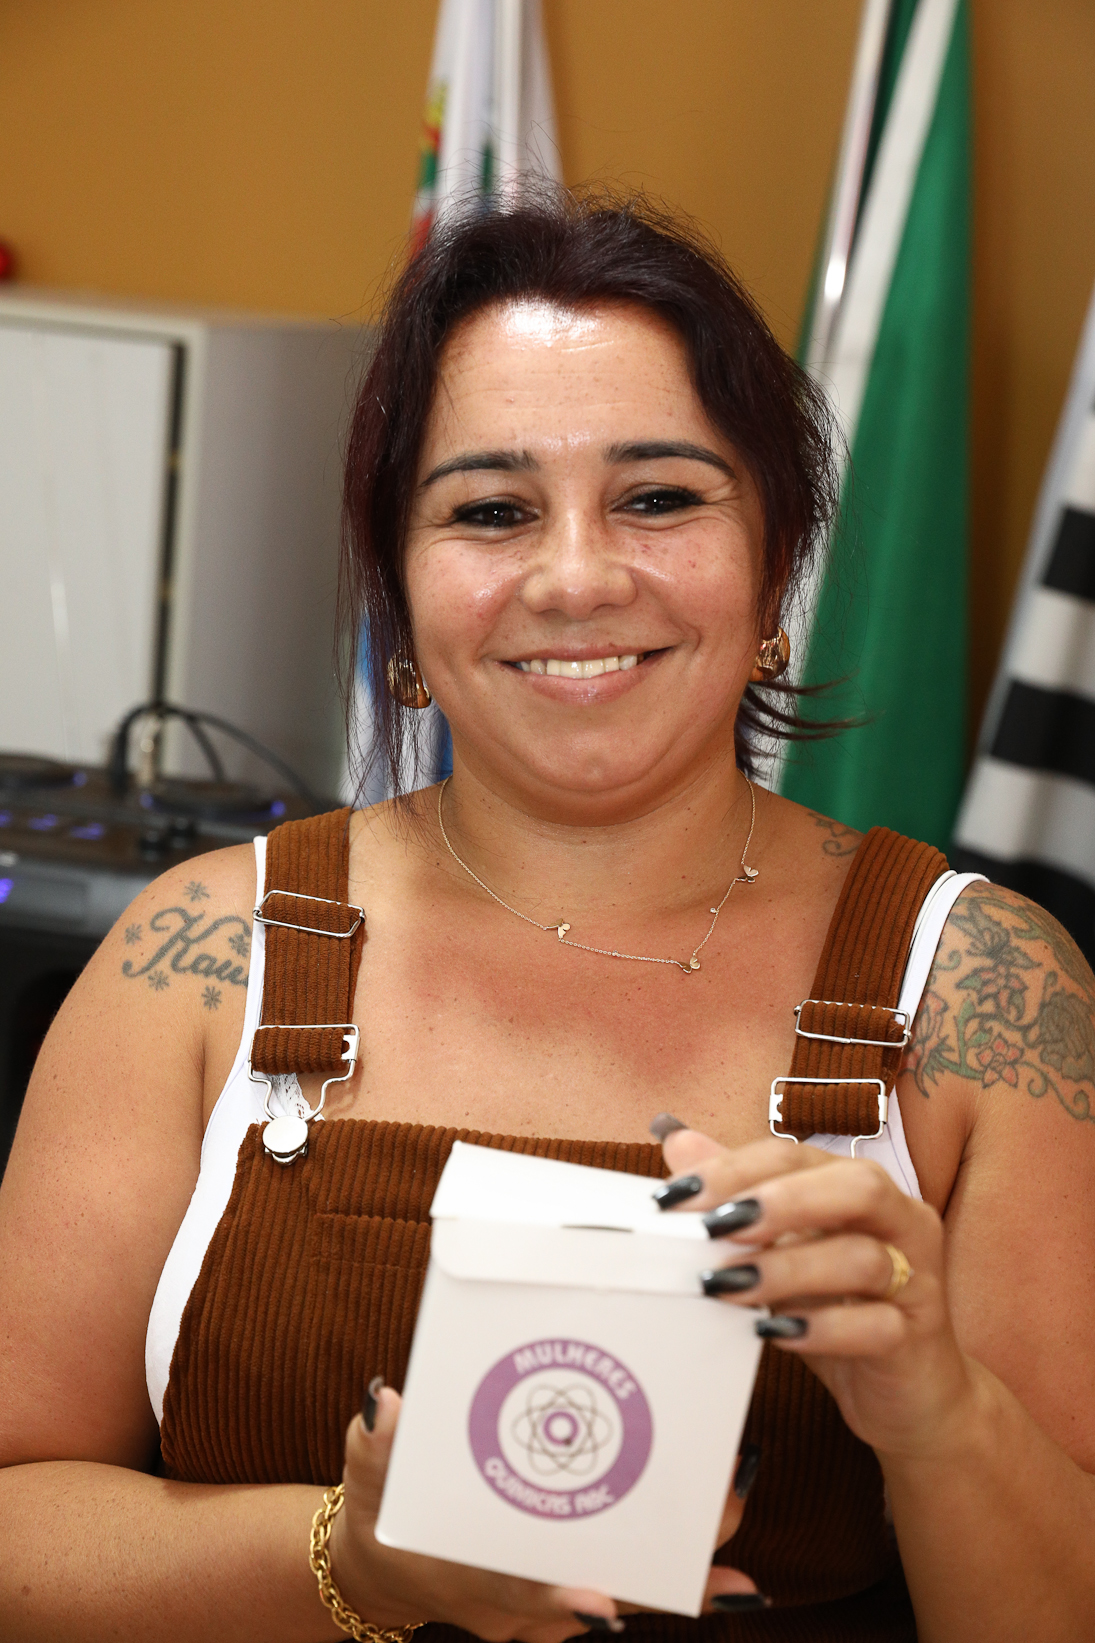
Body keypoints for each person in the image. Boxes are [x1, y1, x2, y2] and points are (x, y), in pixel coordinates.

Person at [1, 191, 1094, 1643]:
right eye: (491, 511)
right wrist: (348, 1562)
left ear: (776, 566)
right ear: (398, 593)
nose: (577, 578)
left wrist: (940, 1408)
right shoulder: (195, 962)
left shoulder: (984, 993)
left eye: (659, 498)